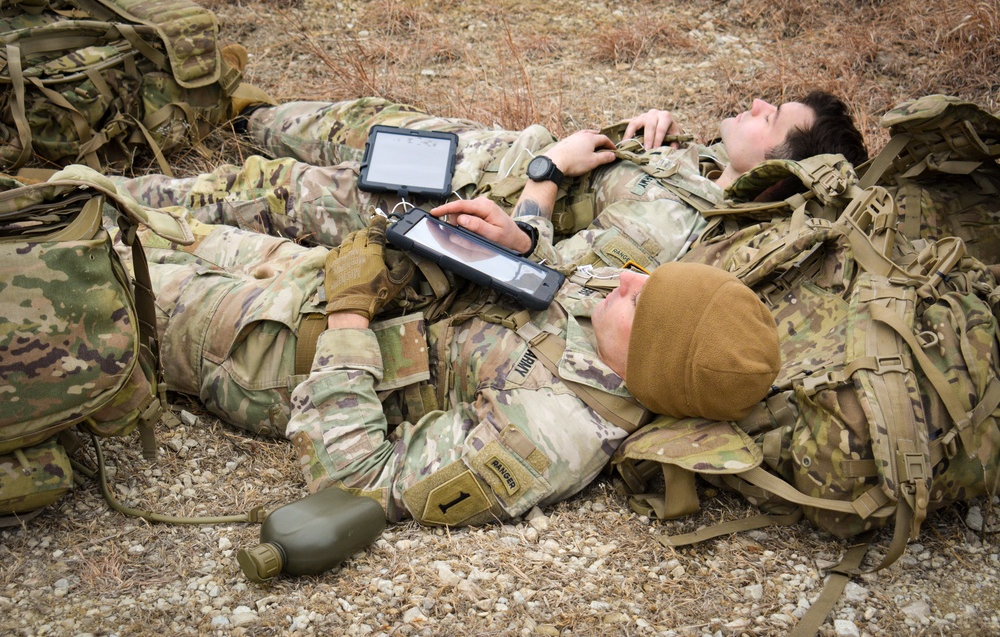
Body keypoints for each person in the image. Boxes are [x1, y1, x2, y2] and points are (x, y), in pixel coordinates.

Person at [125, 197, 781, 525]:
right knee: (141, 219)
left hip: (266, 350)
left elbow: (353, 478)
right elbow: (560, 279)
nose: (628, 282)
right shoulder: (619, 309)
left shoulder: (552, 434)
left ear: (648, 364)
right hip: (339, 283)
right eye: (647, 277)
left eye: (642, 303)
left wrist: (351, 313)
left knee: (99, 276)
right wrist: (521, 239)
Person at [111, 92, 866, 273]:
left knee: (267, 187)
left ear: (776, 166)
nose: (757, 104)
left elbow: (536, 257)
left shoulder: (676, 234)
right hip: (470, 146)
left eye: (773, 117)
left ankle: (86, 198)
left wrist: (547, 174)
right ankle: (224, 105)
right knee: (327, 117)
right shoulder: (704, 167)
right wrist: (657, 123)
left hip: (454, 193)